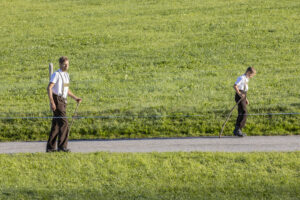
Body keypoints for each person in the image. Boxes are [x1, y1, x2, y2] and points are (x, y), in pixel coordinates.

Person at [46, 56, 82, 152]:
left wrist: (75, 98)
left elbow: (66, 90)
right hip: (57, 100)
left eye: (67, 64)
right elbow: (49, 88)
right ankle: (62, 147)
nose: (66, 66)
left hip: (63, 100)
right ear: (60, 64)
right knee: (64, 123)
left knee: (56, 124)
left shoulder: (66, 75)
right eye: (64, 64)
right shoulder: (56, 75)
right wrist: (52, 102)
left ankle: (50, 148)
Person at [233, 67, 256, 137]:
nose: (252, 77)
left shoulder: (246, 79)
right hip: (239, 96)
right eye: (252, 75)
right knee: (244, 112)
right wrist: (239, 94)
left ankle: (237, 129)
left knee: (241, 112)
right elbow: (235, 86)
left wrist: (246, 99)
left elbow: (244, 90)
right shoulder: (242, 78)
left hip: (243, 96)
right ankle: (238, 129)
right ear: (248, 72)